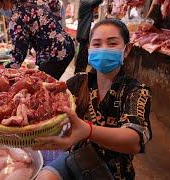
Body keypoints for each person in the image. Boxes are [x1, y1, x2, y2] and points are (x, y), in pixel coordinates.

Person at [35, 19, 152, 180]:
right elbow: (50, 101)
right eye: (97, 44)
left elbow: (135, 141)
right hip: (76, 158)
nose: (103, 49)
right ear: (89, 49)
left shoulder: (136, 91)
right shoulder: (78, 82)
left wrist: (88, 130)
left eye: (112, 44)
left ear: (127, 50)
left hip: (112, 171)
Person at [0, 0, 75, 80]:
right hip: (66, 45)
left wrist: (3, 71)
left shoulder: (17, 18)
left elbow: (18, 55)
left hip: (56, 54)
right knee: (46, 83)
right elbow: (55, 4)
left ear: (6, 1)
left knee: (40, 85)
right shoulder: (32, 2)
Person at [74, 0, 102, 74]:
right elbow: (97, 1)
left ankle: (80, 71)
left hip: (83, 33)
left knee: (83, 53)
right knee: (82, 54)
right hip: (83, 33)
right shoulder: (85, 3)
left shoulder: (85, 3)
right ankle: (79, 72)